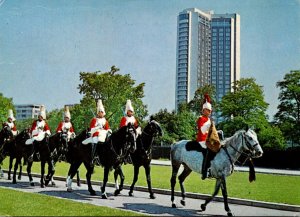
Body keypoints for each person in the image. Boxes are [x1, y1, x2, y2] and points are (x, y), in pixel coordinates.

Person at [82, 99, 111, 166]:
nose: (100, 113)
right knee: (95, 141)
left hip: (103, 133)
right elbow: (92, 129)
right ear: (98, 113)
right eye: (99, 112)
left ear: (103, 113)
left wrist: (108, 130)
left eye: (102, 112)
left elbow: (107, 128)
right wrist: (97, 127)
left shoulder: (105, 120)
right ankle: (93, 158)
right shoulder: (94, 120)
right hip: (96, 133)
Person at [196, 93, 215, 180]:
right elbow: (202, 130)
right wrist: (209, 127)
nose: (210, 112)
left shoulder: (209, 120)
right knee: (208, 150)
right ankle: (205, 171)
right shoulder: (201, 118)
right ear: (204, 110)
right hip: (202, 140)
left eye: (210, 111)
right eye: (208, 110)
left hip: (208, 140)